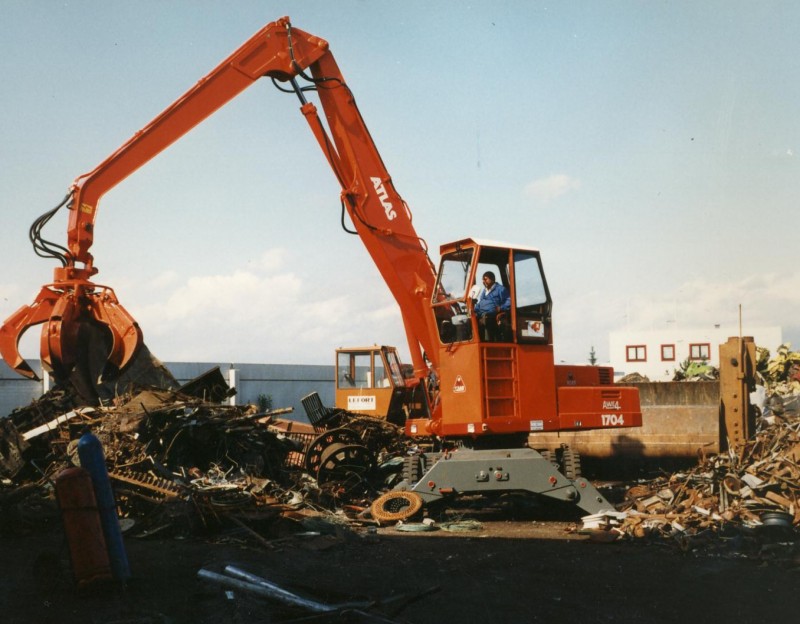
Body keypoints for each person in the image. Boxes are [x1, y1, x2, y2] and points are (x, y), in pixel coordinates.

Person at [473, 271, 511, 341]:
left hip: (492, 314)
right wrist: (474, 311)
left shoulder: (500, 289)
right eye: (483, 280)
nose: (483, 281)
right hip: (481, 313)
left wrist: (501, 308)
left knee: (487, 318)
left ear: (492, 279)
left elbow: (509, 301)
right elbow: (480, 303)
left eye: (486, 279)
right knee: (468, 319)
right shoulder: (484, 291)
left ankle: (488, 342)